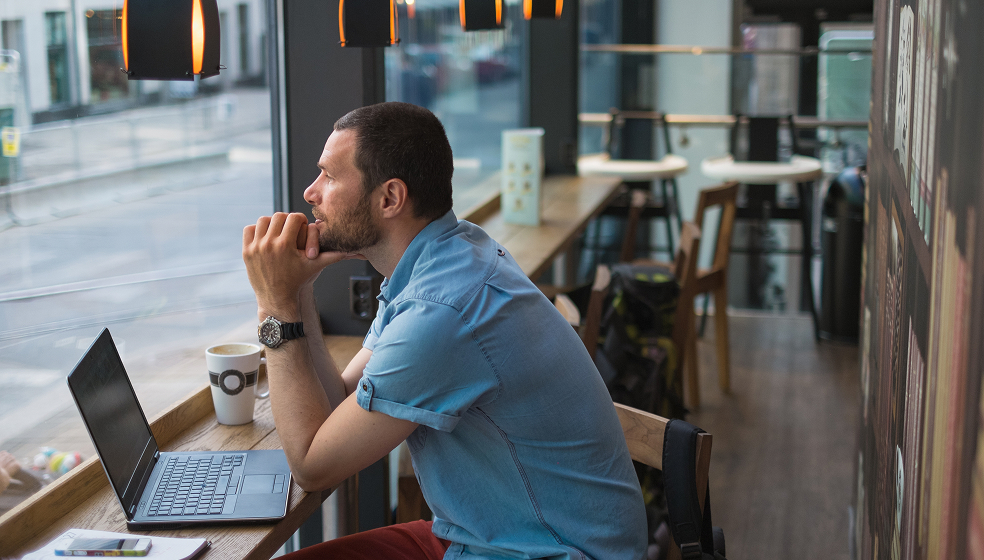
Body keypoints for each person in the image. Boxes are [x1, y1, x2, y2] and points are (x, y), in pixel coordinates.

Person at [242, 101, 647, 559]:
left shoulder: (443, 311)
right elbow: (338, 407)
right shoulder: (444, 259)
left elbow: (313, 467)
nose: (310, 193)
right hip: (486, 531)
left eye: (329, 177)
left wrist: (272, 304)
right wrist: (296, 292)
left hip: (544, 550)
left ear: (390, 198)